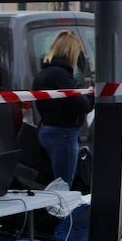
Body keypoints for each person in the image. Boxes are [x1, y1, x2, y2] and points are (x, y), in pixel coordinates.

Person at [33, 31, 93, 186]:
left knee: (53, 183)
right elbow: (83, 105)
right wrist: (92, 94)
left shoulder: (44, 73)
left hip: (47, 130)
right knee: (63, 186)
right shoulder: (62, 76)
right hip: (64, 134)